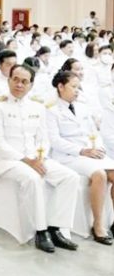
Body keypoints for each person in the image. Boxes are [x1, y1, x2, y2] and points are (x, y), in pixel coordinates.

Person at [0, 64, 78, 252]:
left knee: (70, 177)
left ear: (31, 85)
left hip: (35, 159)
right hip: (7, 162)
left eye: (24, 81)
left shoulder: (37, 106)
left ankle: (55, 228)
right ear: (9, 80)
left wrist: (39, 157)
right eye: (15, 79)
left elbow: (44, 139)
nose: (19, 85)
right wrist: (28, 161)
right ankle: (40, 231)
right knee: (34, 179)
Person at [46, 69, 114, 245]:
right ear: (61, 87)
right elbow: (55, 141)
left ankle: (113, 222)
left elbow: (93, 131)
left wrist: (98, 147)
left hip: (90, 153)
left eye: (78, 87)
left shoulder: (82, 108)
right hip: (68, 156)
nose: (77, 91)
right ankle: (98, 225)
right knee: (100, 175)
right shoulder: (51, 110)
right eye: (73, 87)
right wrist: (82, 150)